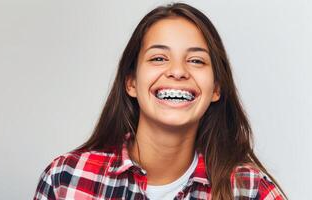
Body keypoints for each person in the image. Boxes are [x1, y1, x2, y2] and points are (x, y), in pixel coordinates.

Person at [33, 2, 287, 200]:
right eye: (158, 58)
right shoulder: (66, 178)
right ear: (131, 82)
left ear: (216, 90)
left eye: (196, 60)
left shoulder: (251, 190)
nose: (178, 71)